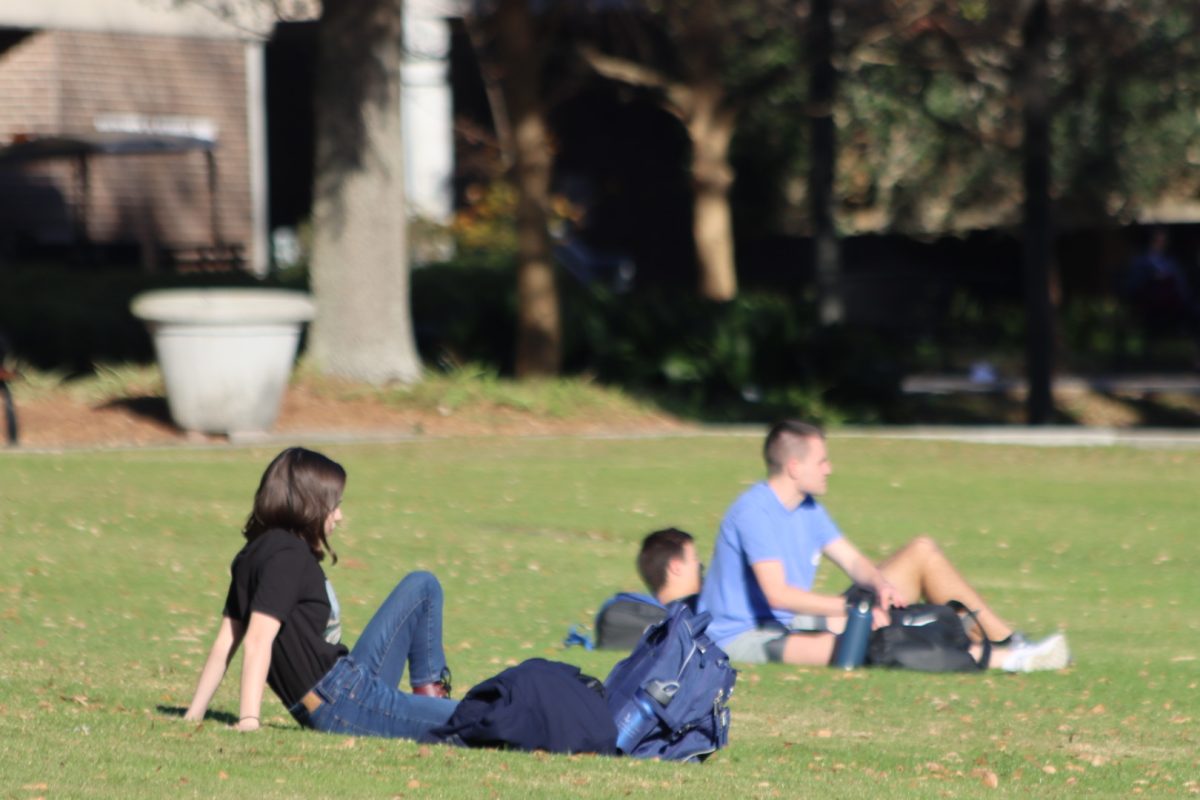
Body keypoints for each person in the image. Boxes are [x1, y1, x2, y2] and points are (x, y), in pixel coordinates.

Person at [698, 421, 1071, 672]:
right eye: (822, 460)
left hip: (790, 621)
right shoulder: (754, 512)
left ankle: (1004, 638)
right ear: (794, 466)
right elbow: (779, 594)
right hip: (740, 637)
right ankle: (1010, 660)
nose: (829, 469)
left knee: (921, 551)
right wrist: (855, 611)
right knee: (869, 645)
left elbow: (852, 560)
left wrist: (880, 586)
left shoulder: (807, 507)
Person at [183, 447, 457, 737]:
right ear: (309, 504)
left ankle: (430, 703)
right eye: (333, 504)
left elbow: (226, 640)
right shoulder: (286, 555)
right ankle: (435, 713)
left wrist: (194, 714)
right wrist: (249, 719)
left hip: (347, 684)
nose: (338, 516)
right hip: (339, 701)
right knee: (476, 716)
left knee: (422, 586)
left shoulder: (253, 553)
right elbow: (257, 640)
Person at [593, 528, 703, 650]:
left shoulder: (642, 614)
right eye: (694, 558)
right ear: (676, 567)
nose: (700, 565)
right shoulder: (692, 618)